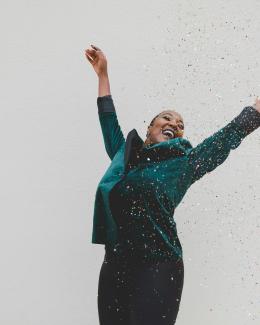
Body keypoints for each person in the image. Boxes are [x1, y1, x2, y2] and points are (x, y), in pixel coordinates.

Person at [84, 44, 260, 325]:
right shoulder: (125, 157)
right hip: (115, 265)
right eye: (167, 118)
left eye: (180, 124)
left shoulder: (184, 164)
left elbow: (223, 140)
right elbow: (108, 122)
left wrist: (256, 110)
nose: (175, 124)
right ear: (150, 130)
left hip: (158, 266)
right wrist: (103, 75)